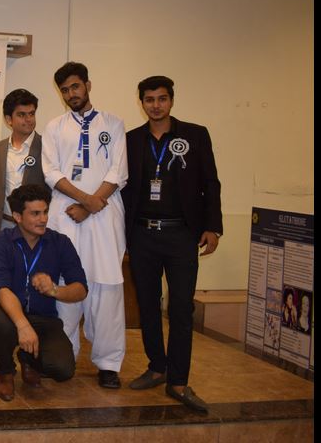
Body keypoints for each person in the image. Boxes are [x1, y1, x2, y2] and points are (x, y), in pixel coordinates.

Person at [123, 76, 223, 412]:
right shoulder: (132, 140)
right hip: (142, 234)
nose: (156, 105)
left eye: (162, 98)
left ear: (171, 100)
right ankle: (157, 366)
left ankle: (178, 380)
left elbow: (211, 182)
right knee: (147, 304)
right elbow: (124, 190)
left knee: (181, 308)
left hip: (181, 234)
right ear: (141, 102)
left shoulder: (195, 135)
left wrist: (213, 227)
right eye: (149, 99)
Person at [42, 62, 127, 389]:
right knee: (64, 283)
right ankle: (64, 357)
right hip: (65, 215)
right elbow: (52, 172)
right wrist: (84, 200)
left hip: (104, 217)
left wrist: (92, 205)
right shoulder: (54, 127)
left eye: (75, 87)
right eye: (64, 90)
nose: (70, 94)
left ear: (87, 85)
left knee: (106, 287)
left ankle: (108, 363)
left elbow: (118, 171)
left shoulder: (113, 123)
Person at [0, 184, 88, 401]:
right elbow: (2, 290)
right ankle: (5, 371)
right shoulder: (1, 242)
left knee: (63, 369)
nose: (43, 219)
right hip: (9, 315)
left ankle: (28, 359)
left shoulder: (60, 243)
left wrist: (54, 290)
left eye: (45, 212)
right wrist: (23, 326)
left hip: (45, 319)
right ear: (17, 217)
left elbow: (81, 289)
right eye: (35, 213)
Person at [0, 88, 44, 238]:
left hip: (35, 226)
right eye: (22, 115)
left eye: (31, 114)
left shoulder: (46, 146)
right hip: (3, 224)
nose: (29, 119)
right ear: (8, 119)